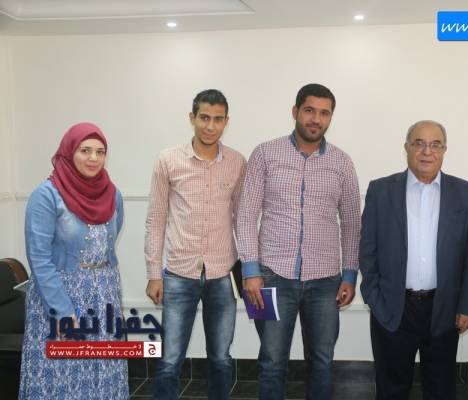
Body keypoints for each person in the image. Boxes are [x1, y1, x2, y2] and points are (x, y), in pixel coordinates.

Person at [236, 83, 361, 400]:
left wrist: (350, 275)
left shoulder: (342, 163)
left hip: (326, 282)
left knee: (322, 362)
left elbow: (351, 222)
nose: (316, 119)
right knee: (270, 361)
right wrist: (250, 271)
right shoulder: (264, 154)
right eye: (309, 110)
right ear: (295, 111)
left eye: (324, 113)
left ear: (330, 118)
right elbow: (246, 214)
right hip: (268, 277)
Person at [360, 120, 468, 400]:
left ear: (444, 150)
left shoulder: (467, 194)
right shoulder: (381, 190)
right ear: (406, 147)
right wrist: (375, 298)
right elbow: (367, 250)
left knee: (440, 389)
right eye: (419, 143)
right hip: (393, 307)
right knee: (391, 389)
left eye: (435, 144)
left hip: (444, 308)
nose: (427, 151)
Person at [145, 89, 246, 400]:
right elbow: (156, 219)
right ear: (192, 118)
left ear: (226, 122)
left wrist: (252, 270)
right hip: (178, 274)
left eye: (217, 119)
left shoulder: (237, 162)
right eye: (204, 117)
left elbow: (242, 220)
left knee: (221, 359)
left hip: (222, 276)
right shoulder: (168, 160)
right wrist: (154, 274)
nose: (210, 126)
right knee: (170, 360)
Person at [19, 122, 127, 399]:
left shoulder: (113, 194)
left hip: (104, 301)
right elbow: (39, 259)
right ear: (69, 152)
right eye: (85, 150)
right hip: (62, 299)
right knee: (63, 377)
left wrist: (115, 302)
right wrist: (63, 312)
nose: (93, 158)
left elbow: (108, 251)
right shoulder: (46, 196)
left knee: (104, 374)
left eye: (100, 152)